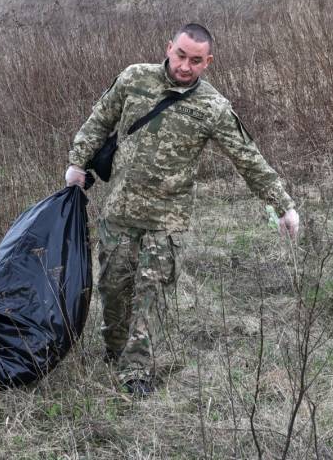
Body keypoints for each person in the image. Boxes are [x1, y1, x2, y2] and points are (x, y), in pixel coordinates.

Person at [64, 23, 299, 396]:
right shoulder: (134, 78)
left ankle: (136, 371)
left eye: (195, 60)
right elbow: (99, 120)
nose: (185, 66)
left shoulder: (213, 108)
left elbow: (247, 158)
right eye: (180, 55)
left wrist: (282, 205)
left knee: (150, 296)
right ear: (169, 47)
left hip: (167, 222)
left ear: (208, 62)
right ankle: (114, 349)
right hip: (120, 215)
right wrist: (77, 163)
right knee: (113, 291)